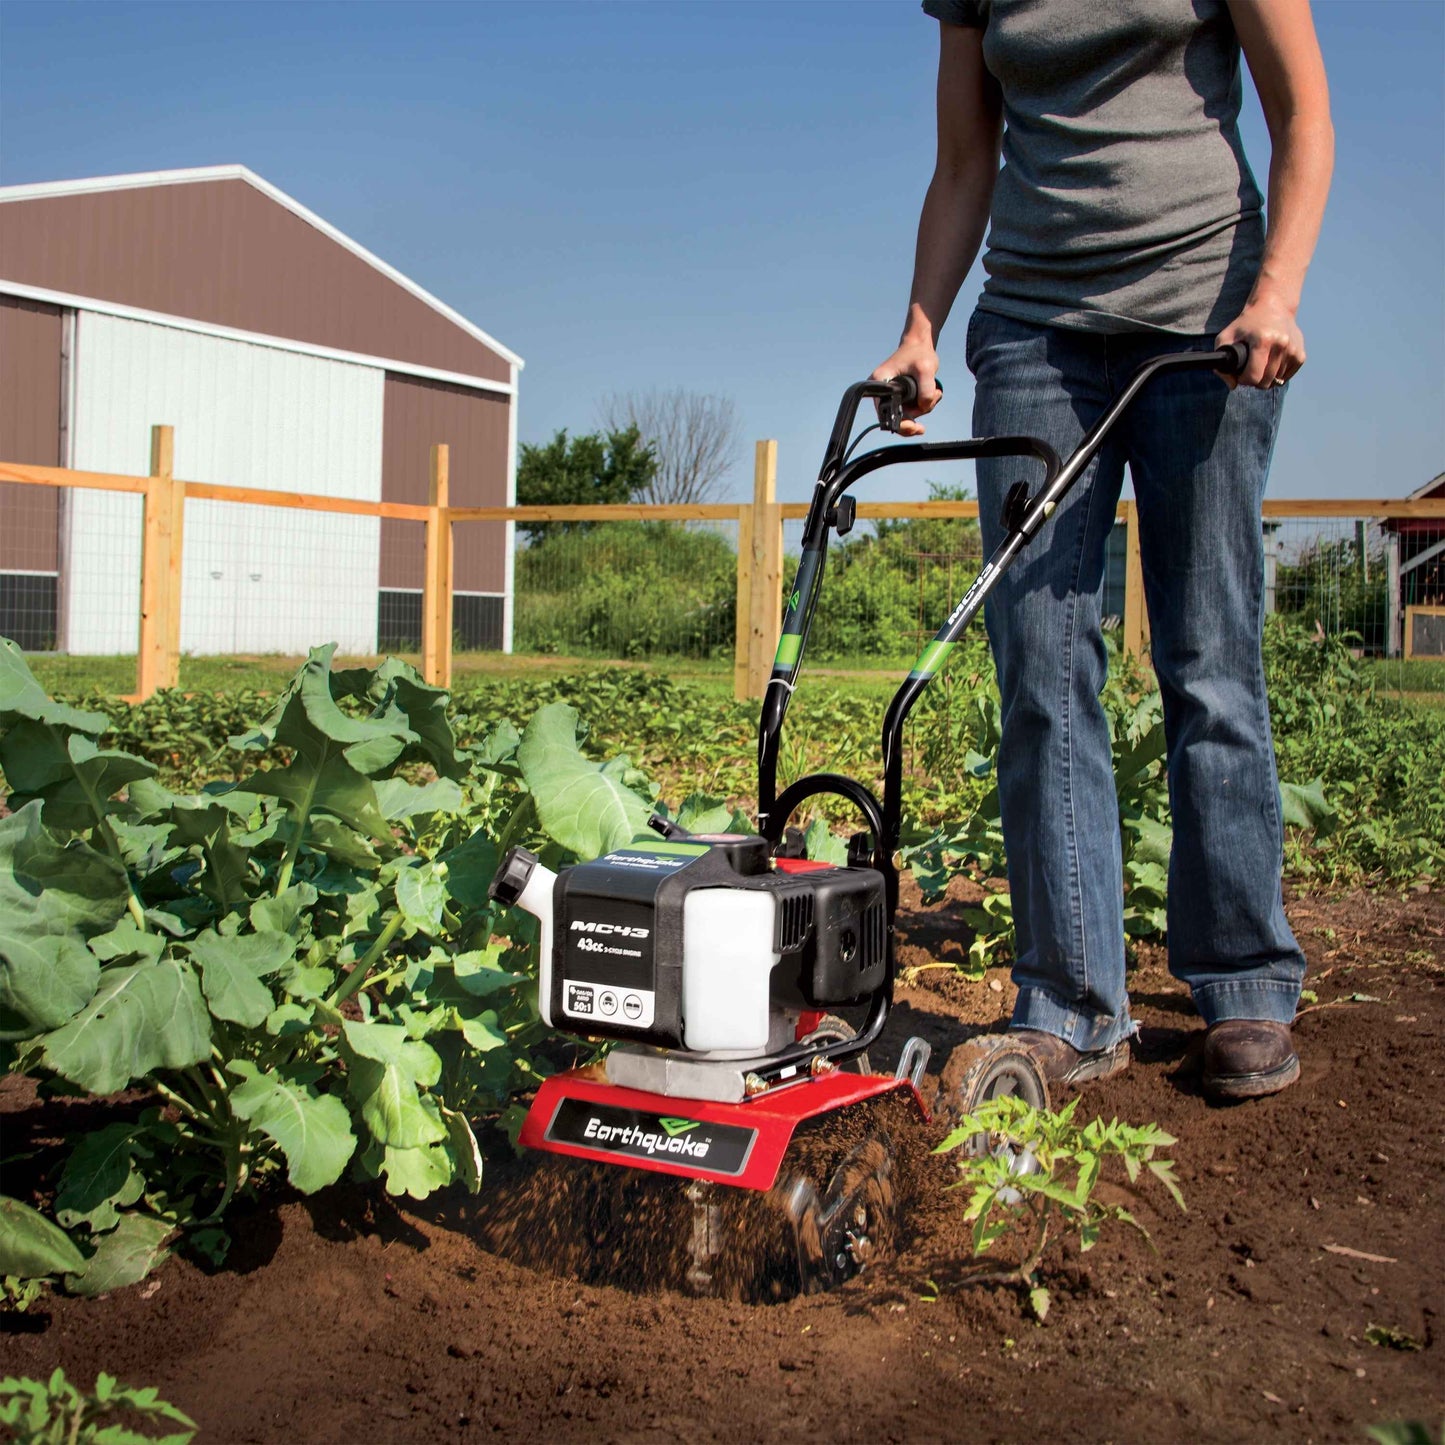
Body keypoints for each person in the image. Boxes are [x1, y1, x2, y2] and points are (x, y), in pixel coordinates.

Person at [873, 0, 1334, 1099]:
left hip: (1205, 317)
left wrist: (1276, 292)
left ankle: (1243, 980)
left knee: (1205, 654)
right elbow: (960, 159)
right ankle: (1070, 1001)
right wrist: (922, 326)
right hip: (1034, 325)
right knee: (1037, 668)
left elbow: (1301, 111)